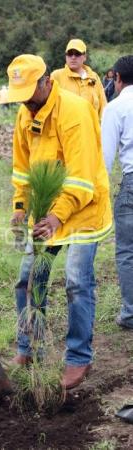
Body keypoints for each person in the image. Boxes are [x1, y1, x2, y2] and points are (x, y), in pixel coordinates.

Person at [6, 54, 112, 389]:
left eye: (28, 92)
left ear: (45, 82)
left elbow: (81, 178)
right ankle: (30, 347)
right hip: (46, 211)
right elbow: (22, 169)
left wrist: (56, 216)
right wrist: (21, 207)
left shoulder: (75, 112)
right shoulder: (26, 114)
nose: (23, 101)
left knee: (77, 282)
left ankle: (78, 357)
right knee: (27, 279)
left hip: (82, 210)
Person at [101, 55, 133, 330]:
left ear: (117, 79)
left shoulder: (116, 107)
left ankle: (131, 313)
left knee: (126, 251)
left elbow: (105, 158)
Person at [51, 39, 107, 119]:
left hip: (91, 130)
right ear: (66, 56)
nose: (73, 57)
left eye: (77, 54)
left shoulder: (94, 77)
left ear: (84, 57)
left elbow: (103, 105)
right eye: (70, 54)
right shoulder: (56, 76)